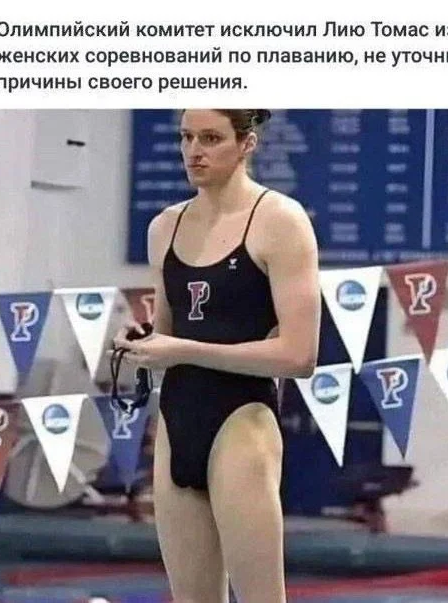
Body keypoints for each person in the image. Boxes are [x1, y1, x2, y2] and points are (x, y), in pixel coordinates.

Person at [114, 109, 321, 603]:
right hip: (177, 421)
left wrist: (183, 349)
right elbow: (167, 332)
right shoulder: (164, 227)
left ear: (247, 143)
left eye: (210, 138)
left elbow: (299, 355)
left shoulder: (280, 221)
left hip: (241, 420)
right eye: (186, 137)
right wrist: (143, 341)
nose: (194, 151)